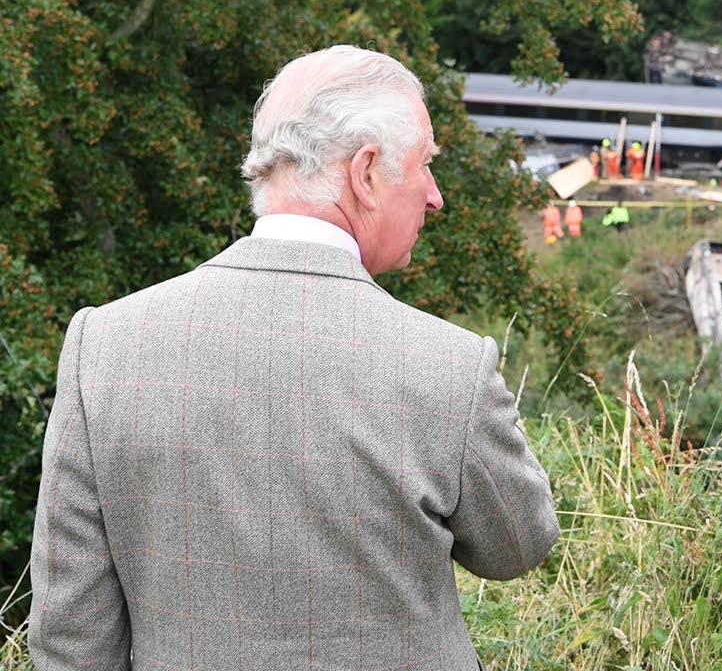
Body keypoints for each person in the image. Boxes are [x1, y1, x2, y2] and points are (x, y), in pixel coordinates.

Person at [29, 45, 560, 670]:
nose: (435, 196)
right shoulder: (448, 366)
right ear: (365, 172)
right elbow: (518, 548)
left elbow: (70, 635)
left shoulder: (107, 345)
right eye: (424, 165)